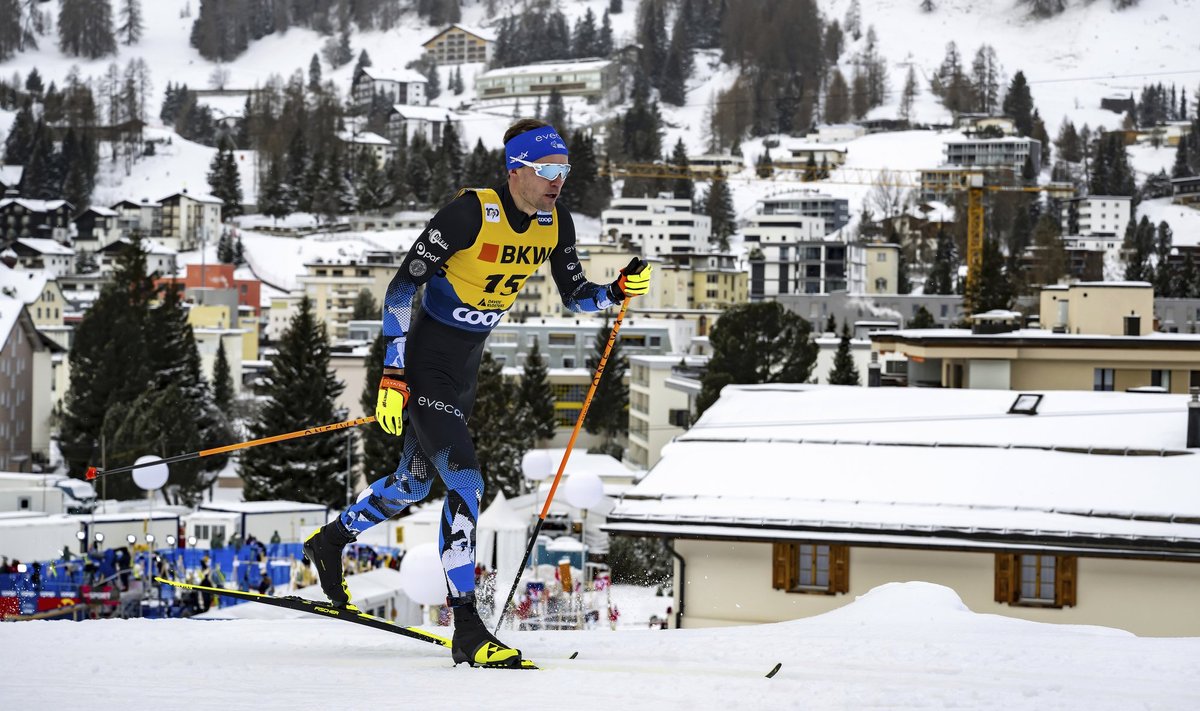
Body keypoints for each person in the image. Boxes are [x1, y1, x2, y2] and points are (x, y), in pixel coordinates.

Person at [304, 118, 652, 669]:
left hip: (463, 371)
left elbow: (576, 295)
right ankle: (467, 625)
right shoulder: (470, 213)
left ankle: (328, 541)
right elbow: (401, 286)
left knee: (411, 484)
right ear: (516, 171)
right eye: (546, 171)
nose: (558, 181)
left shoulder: (555, 223)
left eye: (565, 170)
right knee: (466, 479)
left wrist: (614, 291)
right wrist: (393, 374)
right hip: (422, 365)